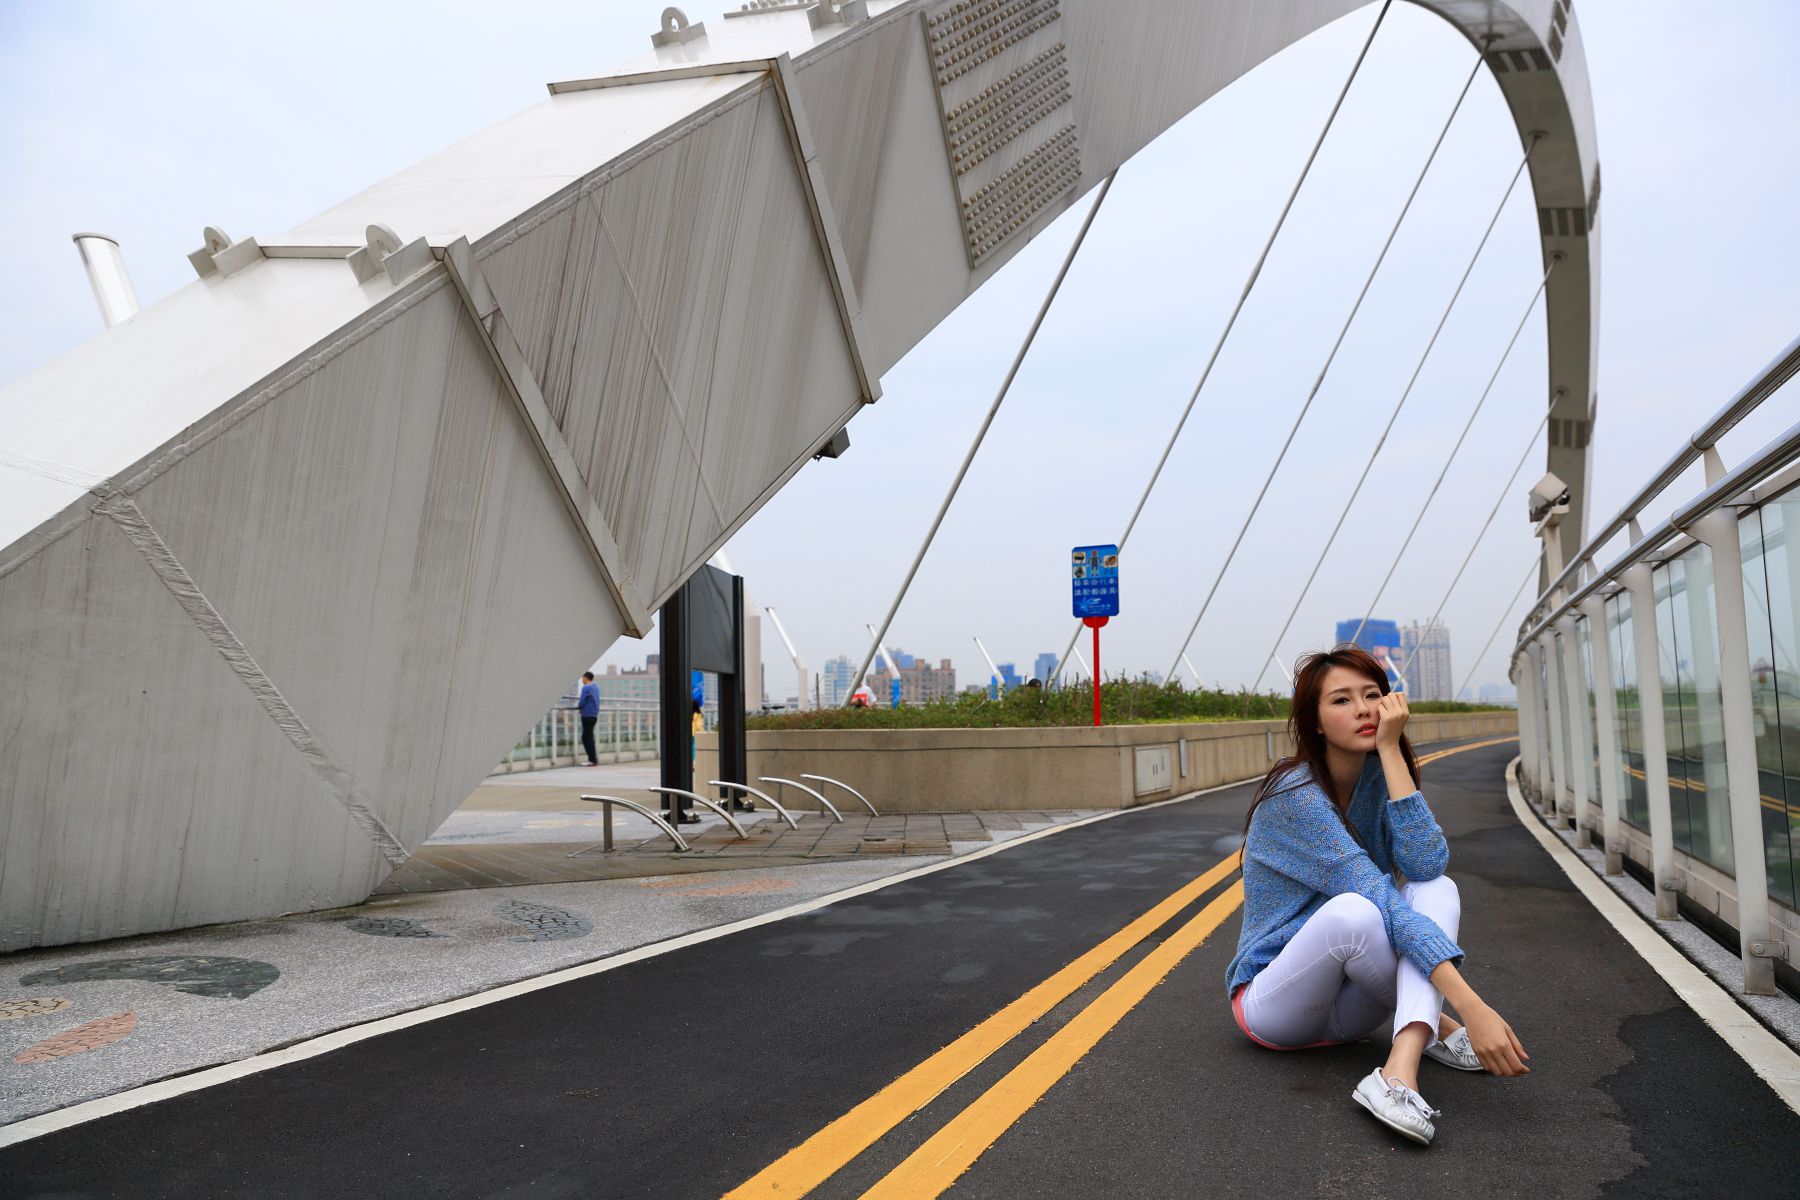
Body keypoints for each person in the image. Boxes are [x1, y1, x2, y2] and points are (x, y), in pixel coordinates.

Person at [1224, 645, 1529, 1147]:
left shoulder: (1377, 778)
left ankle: (1400, 1064)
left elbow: (1426, 864)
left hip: (1352, 1015)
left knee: (1438, 887)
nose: (1364, 709)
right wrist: (1472, 1007)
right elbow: (1375, 898)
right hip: (1274, 1005)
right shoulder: (1293, 797)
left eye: (1372, 695)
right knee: (1356, 910)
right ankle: (1425, 1041)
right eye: (1341, 700)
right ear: (1316, 722)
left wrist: (1391, 752)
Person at [578, 671, 600, 767]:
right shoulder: (596, 687)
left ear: (586, 678)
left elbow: (582, 701)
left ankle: (592, 760)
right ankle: (592, 759)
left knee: (587, 738)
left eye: (583, 678)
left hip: (587, 715)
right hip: (594, 715)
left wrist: (580, 707)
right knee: (589, 737)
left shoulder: (586, 688)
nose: (582, 680)